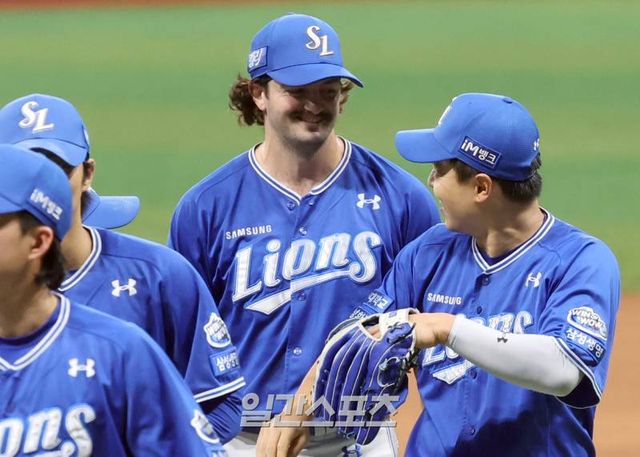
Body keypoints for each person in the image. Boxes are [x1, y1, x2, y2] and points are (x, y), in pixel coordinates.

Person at [169, 12, 440, 456]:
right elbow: (181, 341)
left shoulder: (402, 199)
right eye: (297, 91)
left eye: (327, 91)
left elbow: (431, 327)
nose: (315, 105)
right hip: (241, 442)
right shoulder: (205, 208)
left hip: (360, 437)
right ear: (259, 93)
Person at [358, 92, 619, 456]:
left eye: (440, 170)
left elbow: (563, 370)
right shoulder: (425, 253)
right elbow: (359, 340)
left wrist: (449, 329)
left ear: (481, 187)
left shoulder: (581, 260)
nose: (431, 181)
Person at [0, 94, 246, 443]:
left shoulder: (159, 278)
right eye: (25, 174)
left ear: (87, 174)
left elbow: (219, 403)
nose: (43, 190)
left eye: (57, 171)